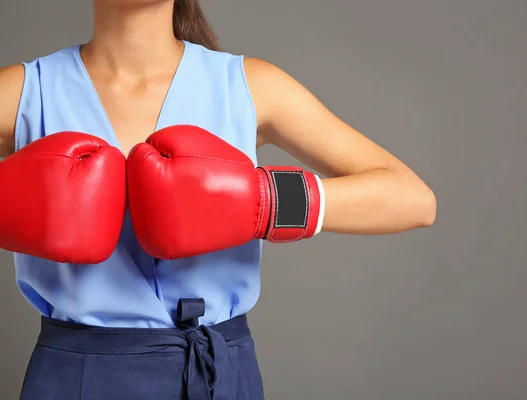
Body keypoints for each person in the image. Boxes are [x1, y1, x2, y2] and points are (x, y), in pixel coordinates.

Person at [0, 0, 436, 399]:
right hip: (73, 378)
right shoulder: (24, 91)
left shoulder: (248, 85)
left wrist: (263, 203)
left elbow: (412, 198)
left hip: (216, 375)